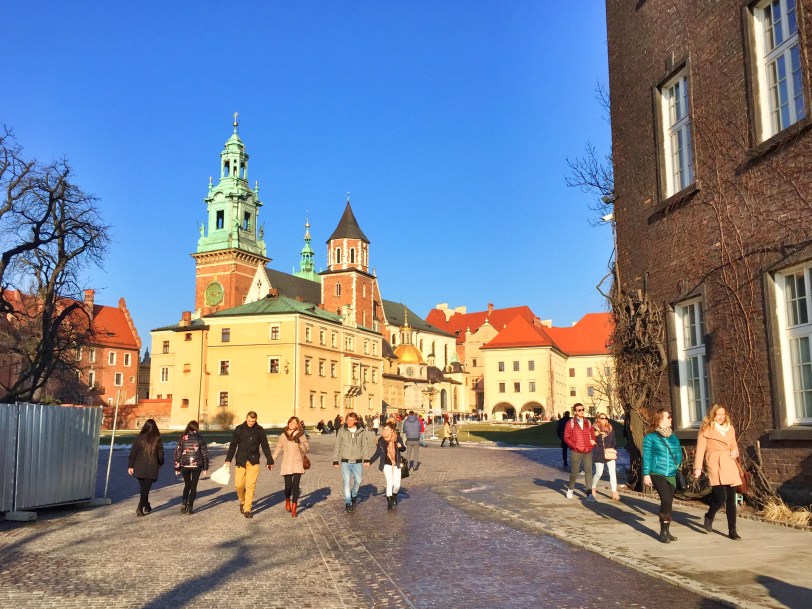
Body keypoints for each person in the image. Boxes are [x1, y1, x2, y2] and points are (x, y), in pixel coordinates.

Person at [693, 404, 743, 540]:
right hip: (714, 462)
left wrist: (735, 452)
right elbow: (701, 449)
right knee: (721, 498)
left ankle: (732, 530)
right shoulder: (706, 429)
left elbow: (734, 445)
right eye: (718, 414)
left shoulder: (730, 428)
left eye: (723, 414)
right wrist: (698, 468)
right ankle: (709, 515)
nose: (721, 417)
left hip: (729, 462)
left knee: (731, 499)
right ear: (713, 415)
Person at [642, 409, 682, 543]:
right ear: (660, 420)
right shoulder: (650, 437)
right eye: (668, 417)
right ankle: (663, 531)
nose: (671, 419)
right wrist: (646, 474)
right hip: (657, 471)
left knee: (669, 501)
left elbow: (678, 452)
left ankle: (667, 530)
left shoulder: (673, 437)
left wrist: (677, 464)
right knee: (665, 499)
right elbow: (647, 456)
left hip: (671, 473)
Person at [224, 411, 274, 519]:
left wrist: (269, 460)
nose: (251, 423)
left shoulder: (259, 430)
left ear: (256, 420)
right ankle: (242, 501)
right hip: (241, 461)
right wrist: (228, 459)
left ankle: (247, 509)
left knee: (250, 485)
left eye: (253, 421)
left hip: (254, 461)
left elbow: (265, 446)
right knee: (239, 485)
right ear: (246, 418)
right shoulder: (239, 429)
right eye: (250, 420)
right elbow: (233, 445)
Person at [333, 412, 371, 512]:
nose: (349, 422)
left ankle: (353, 495)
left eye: (351, 420)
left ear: (355, 421)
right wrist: (335, 460)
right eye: (347, 420)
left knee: (358, 481)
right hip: (345, 461)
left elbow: (365, 446)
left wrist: (366, 459)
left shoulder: (361, 431)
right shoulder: (342, 431)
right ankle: (348, 502)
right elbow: (337, 446)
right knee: (346, 483)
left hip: (358, 461)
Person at [273, 416, 309, 518]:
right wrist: (271, 461)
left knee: (295, 485)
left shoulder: (301, 435)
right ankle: (287, 499)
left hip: (298, 463)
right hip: (287, 463)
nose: (291, 424)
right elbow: (278, 449)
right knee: (288, 487)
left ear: (298, 425)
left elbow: (306, 448)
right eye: (290, 422)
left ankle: (294, 507)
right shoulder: (283, 435)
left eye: (294, 422)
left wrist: (300, 443)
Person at [128, 419, 164, 517]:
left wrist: (130, 466)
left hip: (139, 466)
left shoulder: (139, 438)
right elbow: (160, 455)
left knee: (144, 488)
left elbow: (133, 453)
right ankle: (140, 507)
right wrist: (160, 463)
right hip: (151, 467)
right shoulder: (157, 438)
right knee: (145, 489)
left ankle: (146, 505)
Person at [173, 420, 209, 514]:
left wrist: (177, 468)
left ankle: (184, 503)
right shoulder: (200, 438)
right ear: (197, 428)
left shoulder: (183, 438)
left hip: (185, 464)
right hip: (196, 464)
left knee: (187, 485)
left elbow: (178, 453)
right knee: (193, 486)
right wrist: (205, 468)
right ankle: (190, 507)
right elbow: (204, 454)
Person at [564, 404, 597, 501]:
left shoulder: (588, 422)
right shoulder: (570, 423)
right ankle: (570, 489)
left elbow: (592, 435)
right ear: (575, 412)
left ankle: (589, 493)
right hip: (576, 451)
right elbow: (566, 437)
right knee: (574, 471)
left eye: (583, 409)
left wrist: (592, 443)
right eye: (579, 410)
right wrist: (574, 446)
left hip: (587, 450)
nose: (582, 411)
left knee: (588, 471)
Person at [370, 422, 406, 510]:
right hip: (386, 464)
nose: (385, 431)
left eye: (387, 430)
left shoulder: (397, 438)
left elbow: (403, 449)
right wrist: (369, 461)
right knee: (390, 483)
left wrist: (400, 446)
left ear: (392, 430)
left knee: (397, 485)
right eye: (384, 429)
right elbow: (377, 453)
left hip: (396, 464)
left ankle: (394, 496)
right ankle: (389, 502)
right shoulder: (381, 440)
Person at [591, 413, 620, 501]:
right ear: (598, 419)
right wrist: (596, 436)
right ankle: (593, 487)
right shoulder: (593, 429)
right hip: (599, 452)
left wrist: (613, 448)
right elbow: (590, 439)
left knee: (612, 473)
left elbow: (614, 440)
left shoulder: (610, 428)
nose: (604, 420)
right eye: (602, 418)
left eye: (606, 418)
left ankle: (614, 492)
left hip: (609, 452)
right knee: (599, 473)